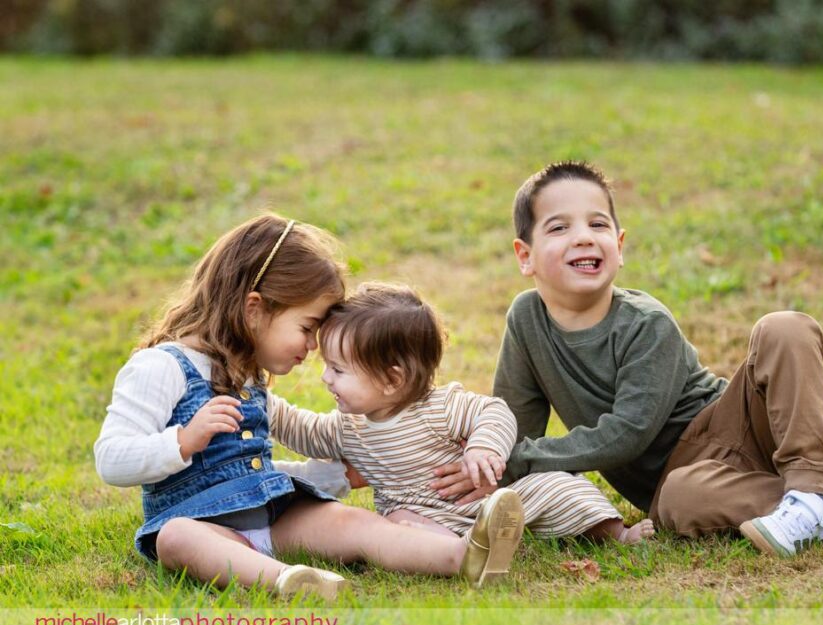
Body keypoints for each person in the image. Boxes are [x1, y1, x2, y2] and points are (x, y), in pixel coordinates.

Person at [431, 161, 823, 558]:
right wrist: (486, 463)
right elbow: (513, 424)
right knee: (676, 502)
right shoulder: (526, 321)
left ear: (619, 246)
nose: (583, 236)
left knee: (784, 327)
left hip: (733, 427)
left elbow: (630, 430)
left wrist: (516, 459)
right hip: (686, 486)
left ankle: (807, 486)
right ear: (525, 255)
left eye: (598, 223)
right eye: (559, 227)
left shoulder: (646, 322)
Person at [94, 214, 524, 598]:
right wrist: (183, 442)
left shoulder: (247, 375)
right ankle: (286, 580)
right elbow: (111, 460)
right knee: (176, 539)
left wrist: (335, 475)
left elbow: (252, 468)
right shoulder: (160, 366)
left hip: (275, 516)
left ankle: (463, 555)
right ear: (254, 310)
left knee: (353, 524)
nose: (314, 345)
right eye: (307, 326)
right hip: (203, 526)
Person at [272, 282, 655, 550]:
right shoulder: (347, 426)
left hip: (481, 503)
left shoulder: (438, 408)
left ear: (392, 379)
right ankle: (463, 552)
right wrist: (264, 405)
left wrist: (483, 448)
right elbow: (302, 430)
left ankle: (616, 534)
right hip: (422, 518)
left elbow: (494, 411)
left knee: (556, 485)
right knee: (397, 527)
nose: (326, 378)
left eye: (339, 370)